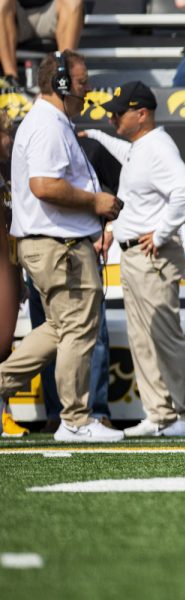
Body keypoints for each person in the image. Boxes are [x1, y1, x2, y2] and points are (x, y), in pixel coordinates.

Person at [0, 50, 123, 442]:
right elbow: (44, 185)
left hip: (53, 243)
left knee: (58, 328)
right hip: (60, 245)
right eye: (83, 83)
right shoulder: (49, 124)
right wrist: (95, 202)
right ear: (63, 84)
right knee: (78, 330)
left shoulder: (50, 121)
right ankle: (75, 419)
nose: (88, 92)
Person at [80, 81, 185, 438]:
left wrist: (163, 231)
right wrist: (95, 133)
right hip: (134, 255)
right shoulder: (142, 146)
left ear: (142, 114)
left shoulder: (157, 147)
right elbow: (127, 155)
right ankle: (161, 415)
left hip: (152, 255)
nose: (112, 116)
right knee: (143, 338)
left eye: (118, 112)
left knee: (165, 336)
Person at [0, 109, 28, 437]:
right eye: (5, 133)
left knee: (6, 345)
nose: (10, 140)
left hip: (9, 264)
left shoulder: (7, 175)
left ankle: (4, 412)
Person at [0, 0, 84, 89]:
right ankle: (10, 80)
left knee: (73, 2)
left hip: (53, 13)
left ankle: (63, 76)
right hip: (15, 16)